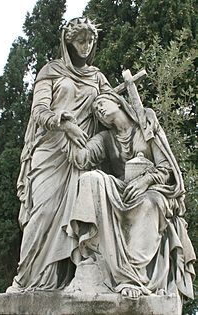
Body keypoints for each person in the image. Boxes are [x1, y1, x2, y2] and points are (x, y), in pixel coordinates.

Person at [6, 17, 114, 292]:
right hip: (51, 152)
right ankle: (27, 279)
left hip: (82, 156)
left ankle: (64, 282)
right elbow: (38, 111)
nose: (86, 46)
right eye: (80, 41)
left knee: (78, 219)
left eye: (90, 41)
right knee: (42, 214)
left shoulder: (98, 77)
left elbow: (114, 110)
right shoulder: (50, 72)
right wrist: (62, 121)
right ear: (68, 42)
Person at [66, 93, 196, 299]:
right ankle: (94, 255)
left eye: (101, 103)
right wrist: (70, 130)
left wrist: (144, 181)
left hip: (153, 188)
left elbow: (166, 169)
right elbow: (82, 159)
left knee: (149, 204)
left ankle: (134, 277)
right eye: (95, 112)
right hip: (121, 188)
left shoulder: (145, 126)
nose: (98, 110)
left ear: (117, 101)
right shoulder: (105, 138)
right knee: (90, 179)